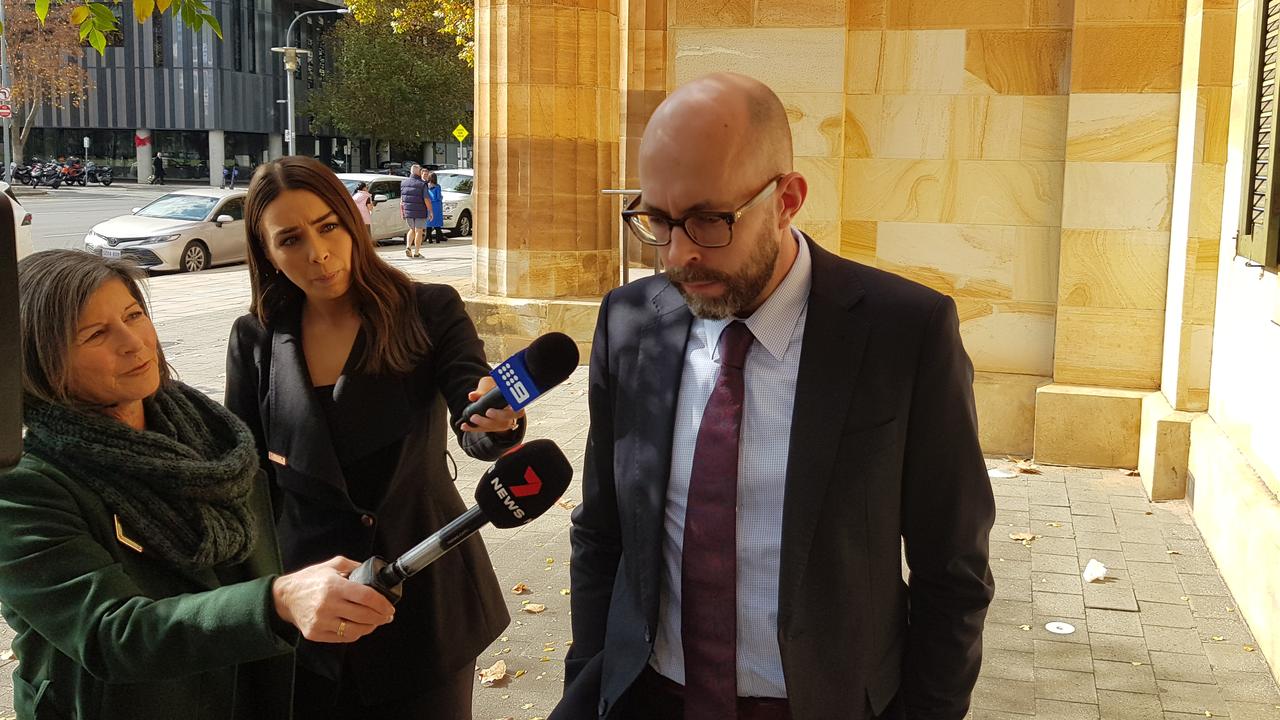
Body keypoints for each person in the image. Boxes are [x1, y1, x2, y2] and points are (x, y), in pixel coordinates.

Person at [556, 73, 996, 720]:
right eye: (656, 219)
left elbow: (952, 574)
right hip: (649, 699)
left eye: (709, 219)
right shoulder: (630, 324)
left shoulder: (905, 334)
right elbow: (602, 534)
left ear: (787, 199)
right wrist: (591, 683)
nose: (678, 255)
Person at [0, 249, 397, 720]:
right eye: (96, 334)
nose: (134, 343)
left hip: (252, 690)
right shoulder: (26, 486)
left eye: (134, 315)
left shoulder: (210, 432)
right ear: (39, 361)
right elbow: (110, 634)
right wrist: (275, 604)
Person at [226, 156, 526, 719]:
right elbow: (247, 481)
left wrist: (495, 418)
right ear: (265, 251)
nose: (316, 253)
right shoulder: (256, 339)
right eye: (289, 238)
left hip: (423, 598)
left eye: (328, 226)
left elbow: (473, 411)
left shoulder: (428, 309)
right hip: (312, 606)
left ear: (352, 220)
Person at [400, 164, 428, 257]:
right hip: (420, 211)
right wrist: (430, 210)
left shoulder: (403, 183)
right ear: (418, 172)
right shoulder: (422, 184)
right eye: (420, 170)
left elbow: (402, 200)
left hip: (408, 210)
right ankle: (416, 252)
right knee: (418, 231)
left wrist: (402, 211)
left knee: (411, 229)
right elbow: (426, 199)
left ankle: (408, 246)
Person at [424, 171, 447, 244]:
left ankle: (429, 239)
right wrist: (441, 197)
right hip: (437, 205)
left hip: (429, 205)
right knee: (437, 223)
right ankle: (438, 239)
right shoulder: (437, 186)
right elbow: (438, 197)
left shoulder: (426, 186)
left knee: (429, 223)